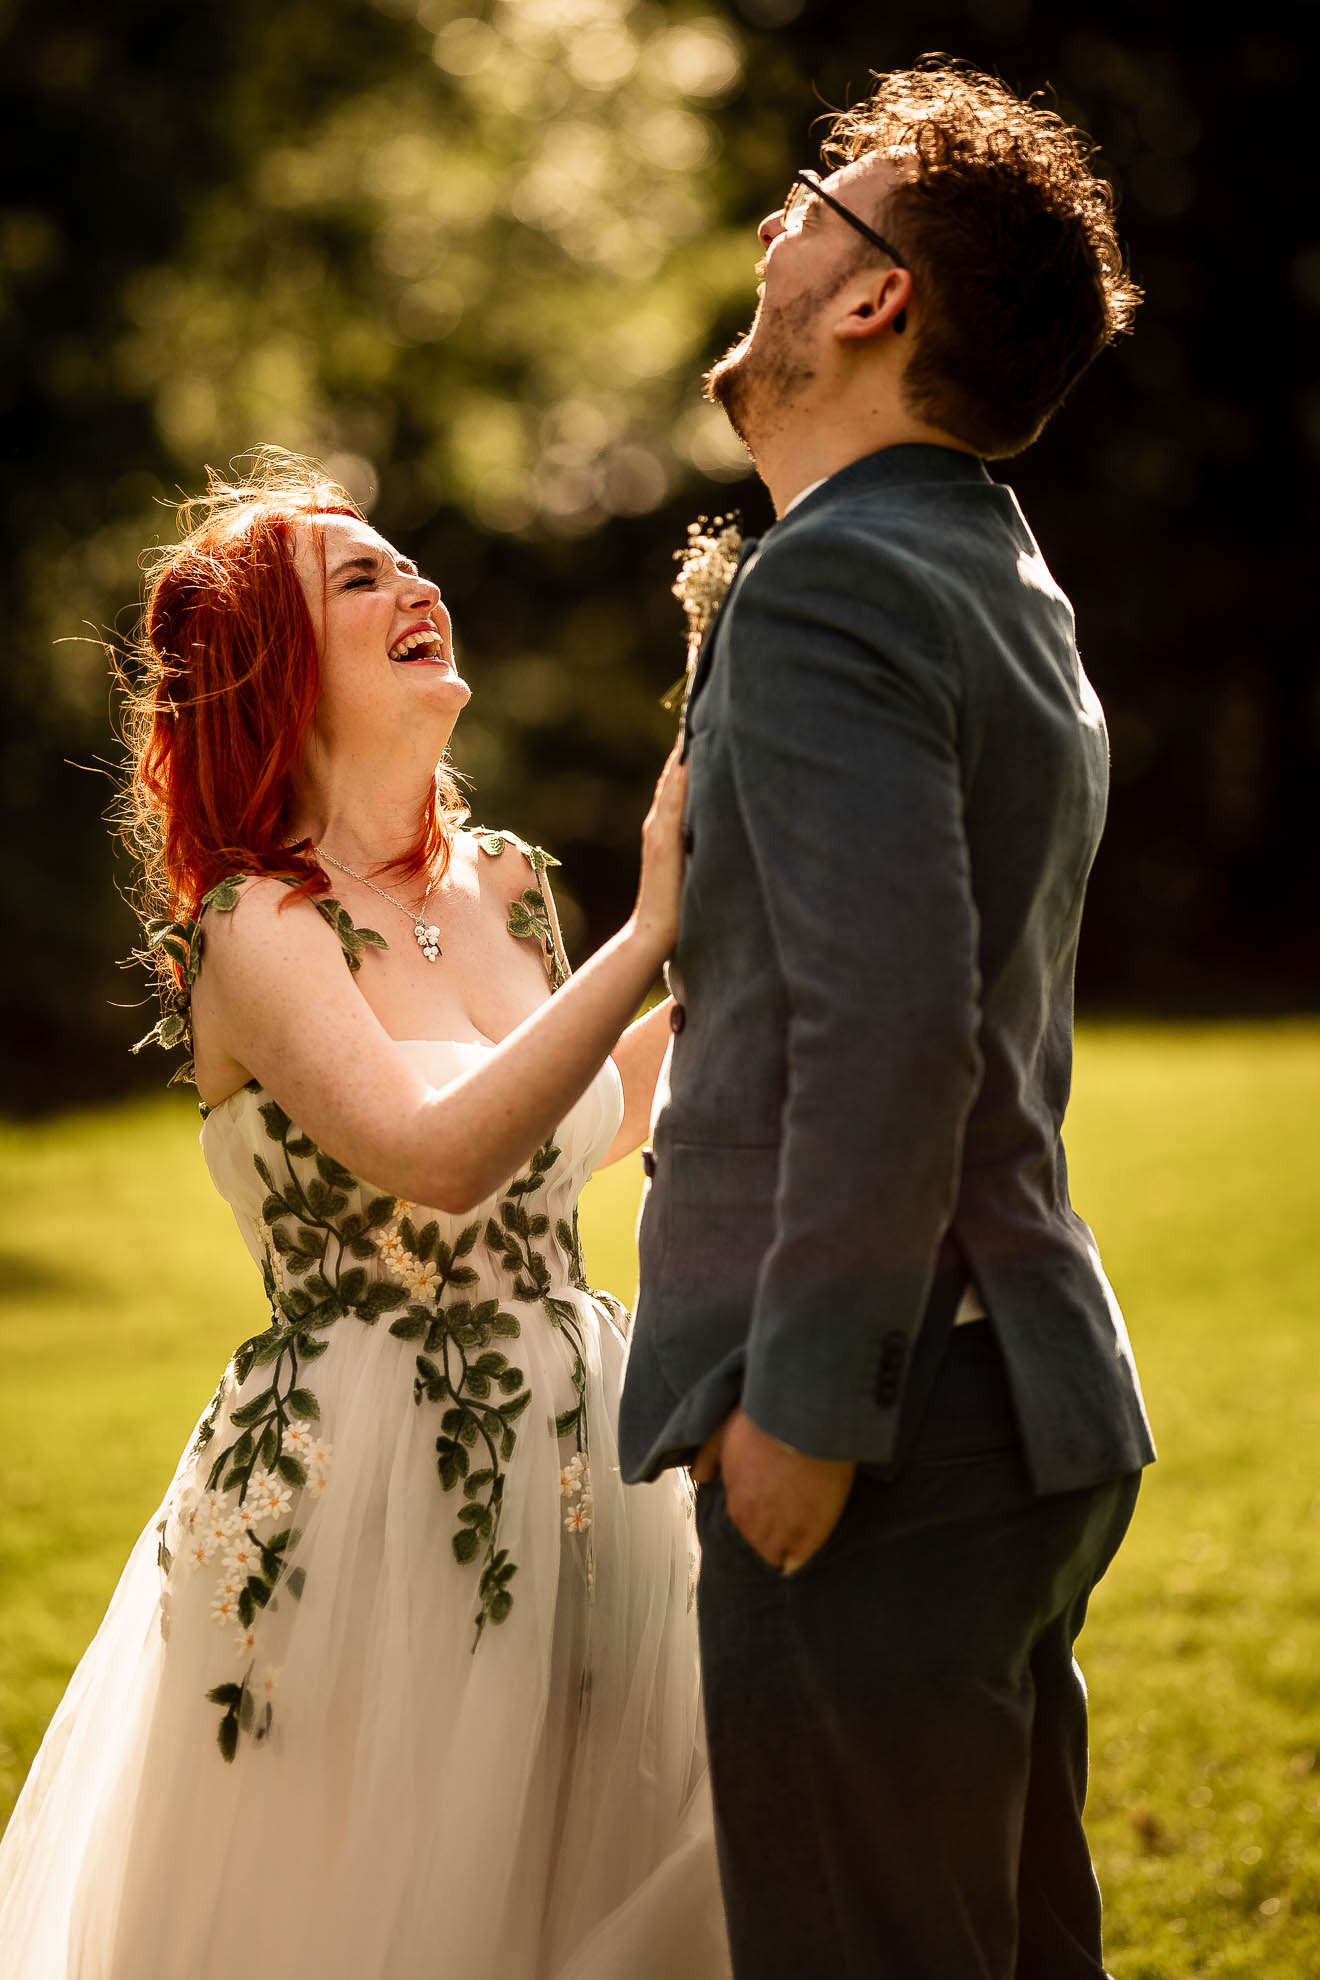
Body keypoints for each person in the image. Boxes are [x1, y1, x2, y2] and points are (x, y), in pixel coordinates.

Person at [0, 452, 730, 1980]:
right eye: (362, 578)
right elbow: (436, 1154)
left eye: (411, 563)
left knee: (586, 1849)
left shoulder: (513, 886)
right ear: (278, 666)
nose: (419, 587)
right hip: (364, 1485)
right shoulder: (251, 923)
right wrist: (656, 931)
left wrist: (746, 943)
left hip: (587, 1447)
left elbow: (571, 1122)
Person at [619, 58, 1157, 1980]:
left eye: (813, 201)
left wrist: (809, 1398)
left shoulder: (838, 580)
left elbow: (896, 1023)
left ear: (873, 299)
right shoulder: (1002, 576)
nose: (776, 226)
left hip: (889, 1423)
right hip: (1015, 1395)